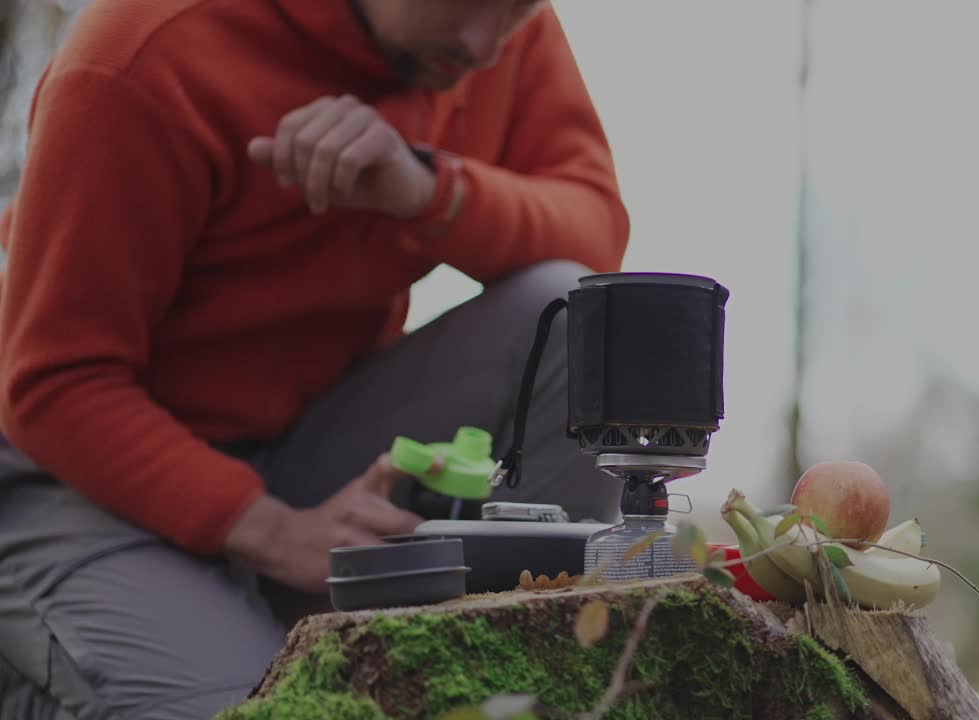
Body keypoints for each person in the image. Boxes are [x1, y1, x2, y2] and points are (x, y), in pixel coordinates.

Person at [0, 0, 630, 717]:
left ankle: (513, 681)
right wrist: (272, 532)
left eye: (515, 9)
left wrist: (427, 187)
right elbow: (51, 385)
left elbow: (595, 229)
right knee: (264, 708)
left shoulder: (495, 25)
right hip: (73, 481)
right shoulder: (137, 54)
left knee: (578, 313)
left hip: (305, 441)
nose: (487, 48)